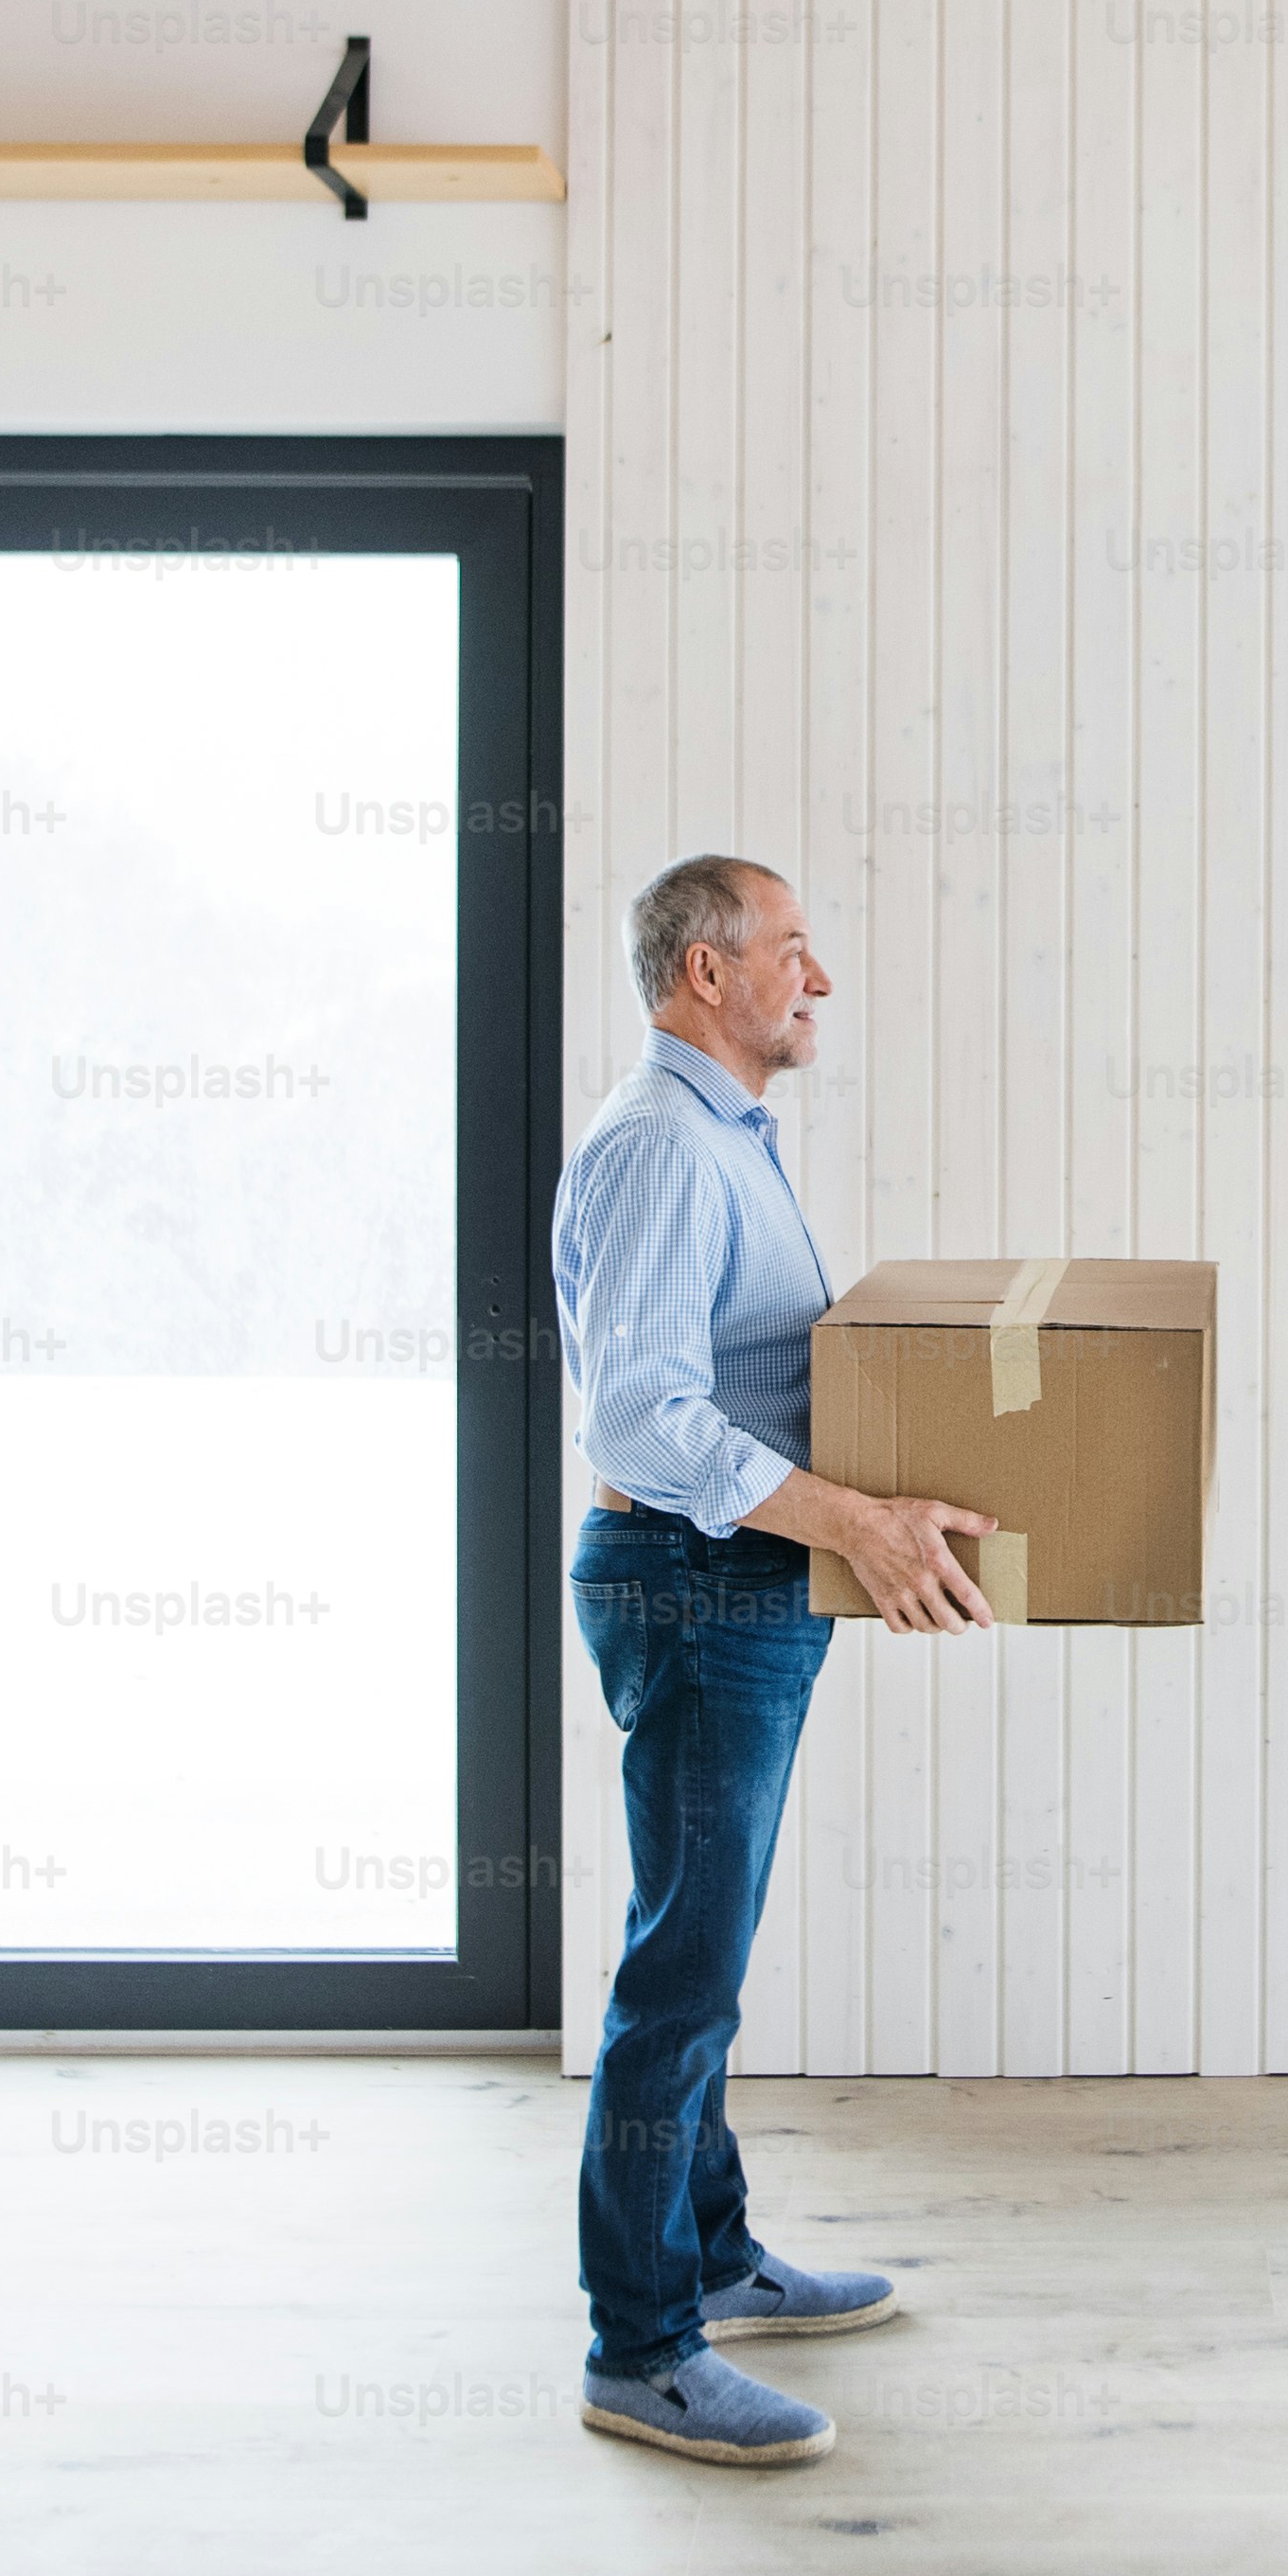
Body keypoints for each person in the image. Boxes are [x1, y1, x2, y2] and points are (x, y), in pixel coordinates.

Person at [552, 853, 1006, 2466]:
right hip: (692, 1584)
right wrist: (854, 1520)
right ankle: (640, 2347)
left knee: (704, 1950)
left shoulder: (719, 1138)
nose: (818, 981)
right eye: (792, 953)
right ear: (704, 975)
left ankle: (714, 2256)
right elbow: (641, 1416)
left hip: (730, 1582)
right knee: (678, 1974)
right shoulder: (666, 1148)